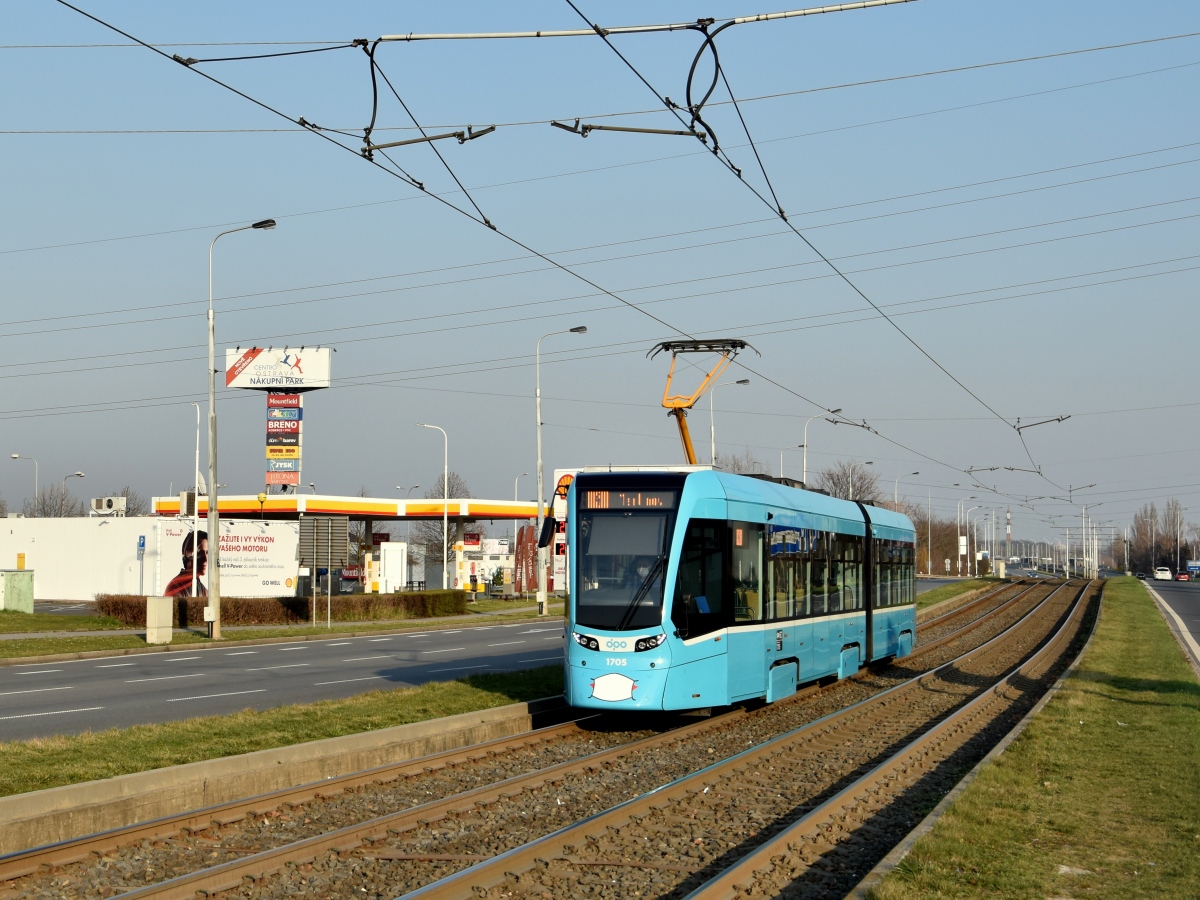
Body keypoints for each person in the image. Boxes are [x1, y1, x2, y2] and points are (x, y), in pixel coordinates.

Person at [164, 531, 208, 597]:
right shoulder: (175, 588)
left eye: (207, 553)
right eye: (200, 553)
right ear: (187, 554)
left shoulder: (201, 588)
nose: (205, 559)